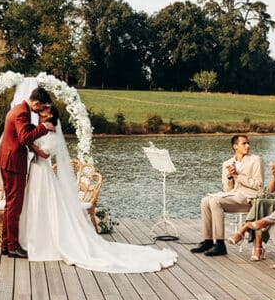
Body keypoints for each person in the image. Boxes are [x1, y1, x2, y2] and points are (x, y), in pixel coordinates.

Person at [19, 106, 177, 272]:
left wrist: (31, 145)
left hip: (43, 172)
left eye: (44, 111)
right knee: (36, 202)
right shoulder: (41, 130)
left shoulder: (52, 135)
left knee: (45, 202)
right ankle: (36, 237)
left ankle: (48, 241)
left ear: (50, 115)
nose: (41, 113)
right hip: (35, 169)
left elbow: (45, 154)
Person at [0, 86, 54, 259]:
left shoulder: (18, 108)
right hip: (13, 163)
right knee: (14, 206)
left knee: (10, 205)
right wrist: (44, 127)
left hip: (7, 161)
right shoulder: (22, 112)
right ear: (36, 103)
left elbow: (22, 134)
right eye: (42, 107)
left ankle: (6, 245)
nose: (41, 111)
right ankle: (13, 247)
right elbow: (24, 138)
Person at [191, 135, 263, 257]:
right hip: (234, 196)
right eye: (244, 143)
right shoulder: (227, 163)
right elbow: (227, 190)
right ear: (235, 146)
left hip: (250, 199)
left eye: (248, 143)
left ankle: (220, 244)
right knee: (205, 200)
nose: (248, 146)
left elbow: (258, 185)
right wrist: (230, 177)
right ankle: (208, 241)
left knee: (215, 201)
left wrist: (237, 176)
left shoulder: (256, 160)